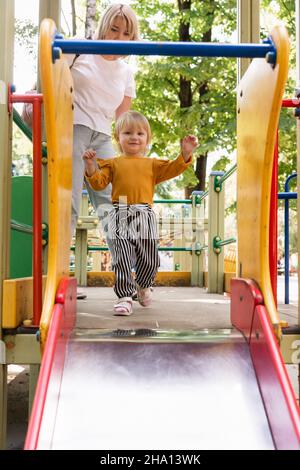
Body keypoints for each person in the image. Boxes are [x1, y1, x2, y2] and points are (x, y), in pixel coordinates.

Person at [83, 111, 198, 315]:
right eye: (127, 133)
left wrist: (186, 153)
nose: (134, 137)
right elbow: (99, 184)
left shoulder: (152, 164)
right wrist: (91, 167)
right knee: (122, 256)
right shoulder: (114, 163)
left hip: (144, 214)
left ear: (147, 139)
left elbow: (173, 168)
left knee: (150, 258)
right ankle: (125, 296)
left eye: (140, 133)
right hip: (121, 211)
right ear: (119, 138)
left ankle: (144, 285)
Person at [66, 3, 139, 241]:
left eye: (126, 34)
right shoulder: (79, 49)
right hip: (74, 127)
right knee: (70, 198)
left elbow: (122, 120)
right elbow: (52, 81)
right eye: (114, 29)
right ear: (104, 28)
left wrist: (130, 157)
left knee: (112, 201)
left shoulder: (126, 72)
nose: (119, 38)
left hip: (103, 136)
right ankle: (57, 269)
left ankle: (124, 266)